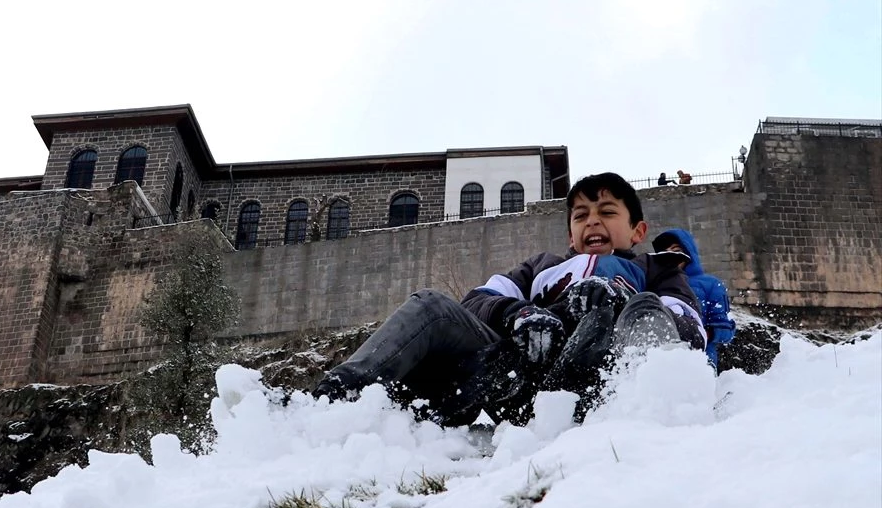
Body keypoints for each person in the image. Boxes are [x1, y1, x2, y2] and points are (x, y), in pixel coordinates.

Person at [312, 172, 706, 427]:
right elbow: (477, 300)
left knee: (645, 307)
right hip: (520, 380)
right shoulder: (541, 267)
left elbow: (688, 332)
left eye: (606, 212)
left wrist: (619, 298)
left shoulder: (657, 269)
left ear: (637, 231)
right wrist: (522, 314)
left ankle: (659, 415)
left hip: (600, 384)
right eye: (581, 215)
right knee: (431, 304)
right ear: (571, 234)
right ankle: (334, 398)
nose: (592, 222)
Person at [652, 228, 736, 370]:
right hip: (662, 362)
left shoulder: (710, 284)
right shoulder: (653, 284)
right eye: (666, 251)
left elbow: (726, 328)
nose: (671, 254)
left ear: (688, 251)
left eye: (676, 249)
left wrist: (703, 335)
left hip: (701, 362)